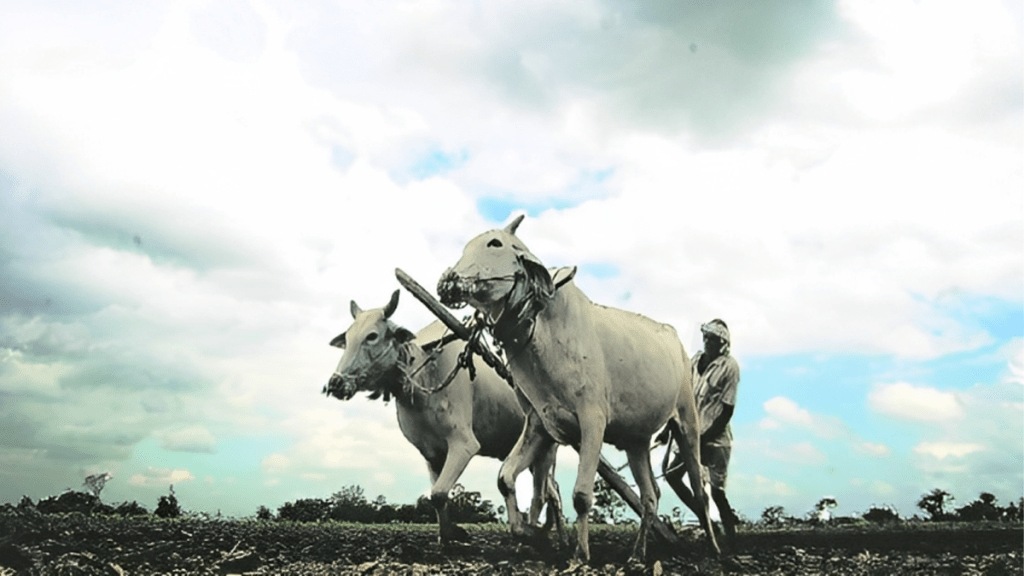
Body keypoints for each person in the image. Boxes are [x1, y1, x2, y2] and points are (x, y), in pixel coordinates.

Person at [664, 318, 741, 539]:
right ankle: (705, 519)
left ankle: (732, 540)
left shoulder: (729, 367)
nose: (707, 341)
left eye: (712, 338)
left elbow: (727, 410)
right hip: (690, 434)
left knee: (717, 492)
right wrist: (670, 429)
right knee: (672, 475)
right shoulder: (695, 360)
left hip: (715, 438)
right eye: (705, 336)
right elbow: (682, 395)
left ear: (722, 343)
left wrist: (705, 436)